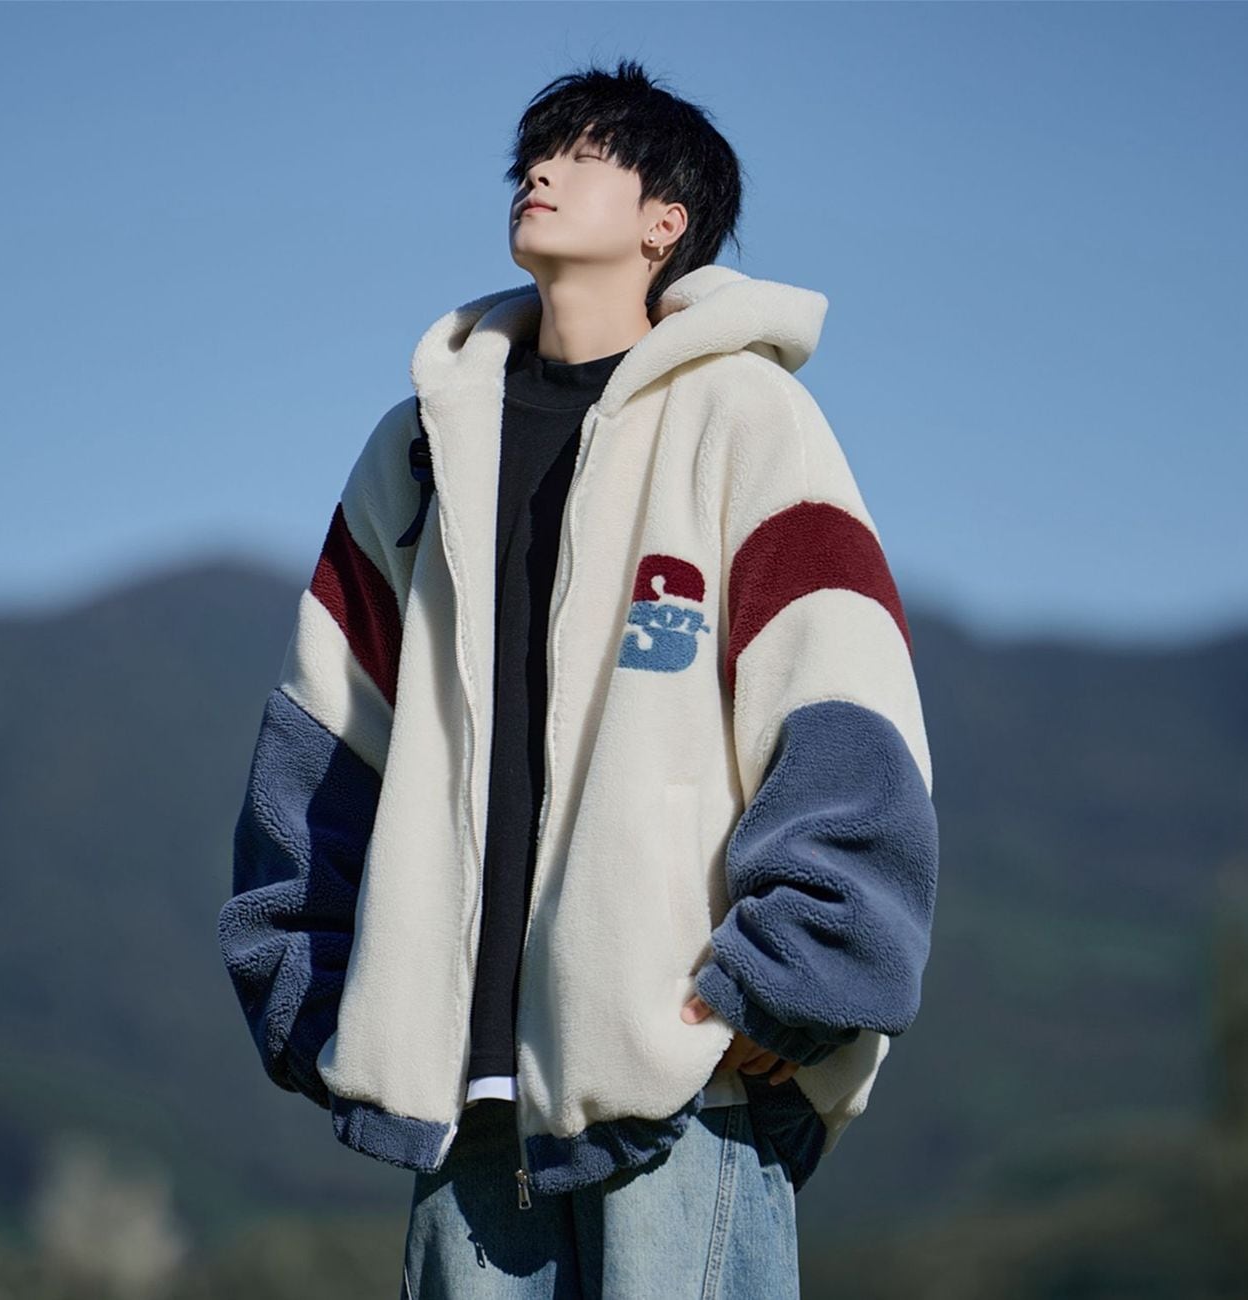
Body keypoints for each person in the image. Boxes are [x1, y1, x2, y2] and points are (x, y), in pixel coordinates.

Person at [217, 56, 940, 1299]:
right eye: (532, 155)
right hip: (456, 1100)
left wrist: (790, 977)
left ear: (667, 221)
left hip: (682, 1079)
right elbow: (326, 721)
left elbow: (842, 690)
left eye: (585, 153)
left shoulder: (745, 415)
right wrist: (311, 986)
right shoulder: (419, 445)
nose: (540, 172)